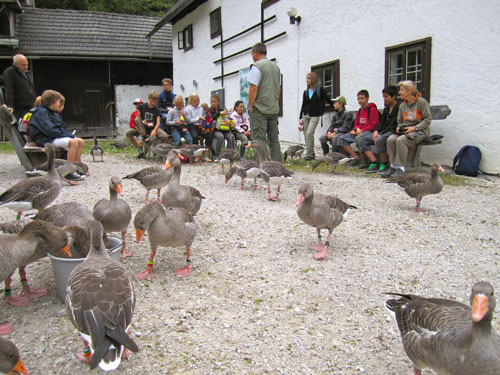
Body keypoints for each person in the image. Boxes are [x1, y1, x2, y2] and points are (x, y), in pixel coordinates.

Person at [28, 90, 85, 178]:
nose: (60, 104)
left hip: (52, 137)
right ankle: (67, 172)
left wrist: (69, 135)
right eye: (59, 102)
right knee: (73, 143)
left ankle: (75, 167)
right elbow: (50, 130)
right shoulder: (41, 113)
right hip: (46, 139)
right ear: (51, 102)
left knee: (81, 141)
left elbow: (60, 128)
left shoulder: (51, 112)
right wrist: (69, 136)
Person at [381, 80, 432, 178]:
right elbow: (399, 120)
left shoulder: (421, 102)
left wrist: (415, 128)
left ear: (409, 91)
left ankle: (401, 168)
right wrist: (399, 128)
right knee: (391, 139)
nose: (399, 92)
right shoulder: (403, 105)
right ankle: (393, 166)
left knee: (401, 140)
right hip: (406, 130)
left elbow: (427, 119)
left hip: (420, 131)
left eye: (402, 90)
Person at [247, 42, 282, 162]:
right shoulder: (276, 68)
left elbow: (253, 87)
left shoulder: (257, 66)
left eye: (252, 53)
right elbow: (279, 87)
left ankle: (263, 166)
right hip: (273, 108)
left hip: (260, 109)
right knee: (274, 139)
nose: (252, 56)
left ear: (255, 53)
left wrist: (250, 105)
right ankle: (278, 166)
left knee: (259, 139)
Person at [338, 90, 379, 168]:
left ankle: (364, 161)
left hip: (369, 132)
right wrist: (356, 128)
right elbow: (356, 123)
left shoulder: (372, 109)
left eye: (362, 98)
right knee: (341, 139)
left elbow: (374, 124)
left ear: (367, 98)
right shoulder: (360, 110)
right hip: (359, 131)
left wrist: (362, 130)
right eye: (358, 99)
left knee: (359, 138)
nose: (360, 101)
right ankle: (356, 158)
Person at [298, 72, 333, 160]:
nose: (307, 80)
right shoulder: (305, 92)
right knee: (306, 134)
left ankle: (309, 154)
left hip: (315, 115)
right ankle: (310, 154)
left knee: (310, 133)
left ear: (313, 79)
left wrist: (335, 106)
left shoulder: (319, 90)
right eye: (306, 78)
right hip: (305, 114)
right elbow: (303, 104)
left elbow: (327, 99)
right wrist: (300, 118)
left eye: (309, 78)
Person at [365, 86, 400, 173]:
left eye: (386, 96)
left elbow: (393, 124)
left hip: (393, 131)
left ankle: (384, 163)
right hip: (383, 132)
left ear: (393, 96)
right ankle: (375, 162)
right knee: (362, 139)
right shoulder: (386, 109)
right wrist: (376, 131)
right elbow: (381, 123)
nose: (384, 99)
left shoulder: (399, 107)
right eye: (383, 96)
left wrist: (380, 134)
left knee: (380, 139)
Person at [126, 90, 170, 158]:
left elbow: (158, 122)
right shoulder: (142, 107)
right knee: (136, 121)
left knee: (165, 136)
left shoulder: (157, 110)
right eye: (152, 101)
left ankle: (161, 152)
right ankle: (144, 138)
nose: (153, 103)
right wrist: (143, 121)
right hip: (143, 128)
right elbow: (137, 118)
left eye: (155, 102)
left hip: (153, 128)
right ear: (149, 98)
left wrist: (154, 131)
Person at [3, 54, 37, 121]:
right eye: (23, 65)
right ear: (16, 64)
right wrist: (10, 106)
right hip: (19, 107)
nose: (26, 67)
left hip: (30, 105)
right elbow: (9, 90)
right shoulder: (10, 73)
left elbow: (31, 88)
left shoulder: (27, 73)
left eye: (27, 64)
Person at [206, 94, 230, 160]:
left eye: (215, 102)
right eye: (212, 102)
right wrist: (219, 114)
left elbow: (227, 118)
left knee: (230, 137)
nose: (213, 103)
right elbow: (210, 119)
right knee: (220, 137)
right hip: (214, 130)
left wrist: (228, 121)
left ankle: (228, 154)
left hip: (224, 129)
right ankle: (217, 155)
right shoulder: (209, 111)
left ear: (218, 102)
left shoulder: (222, 109)